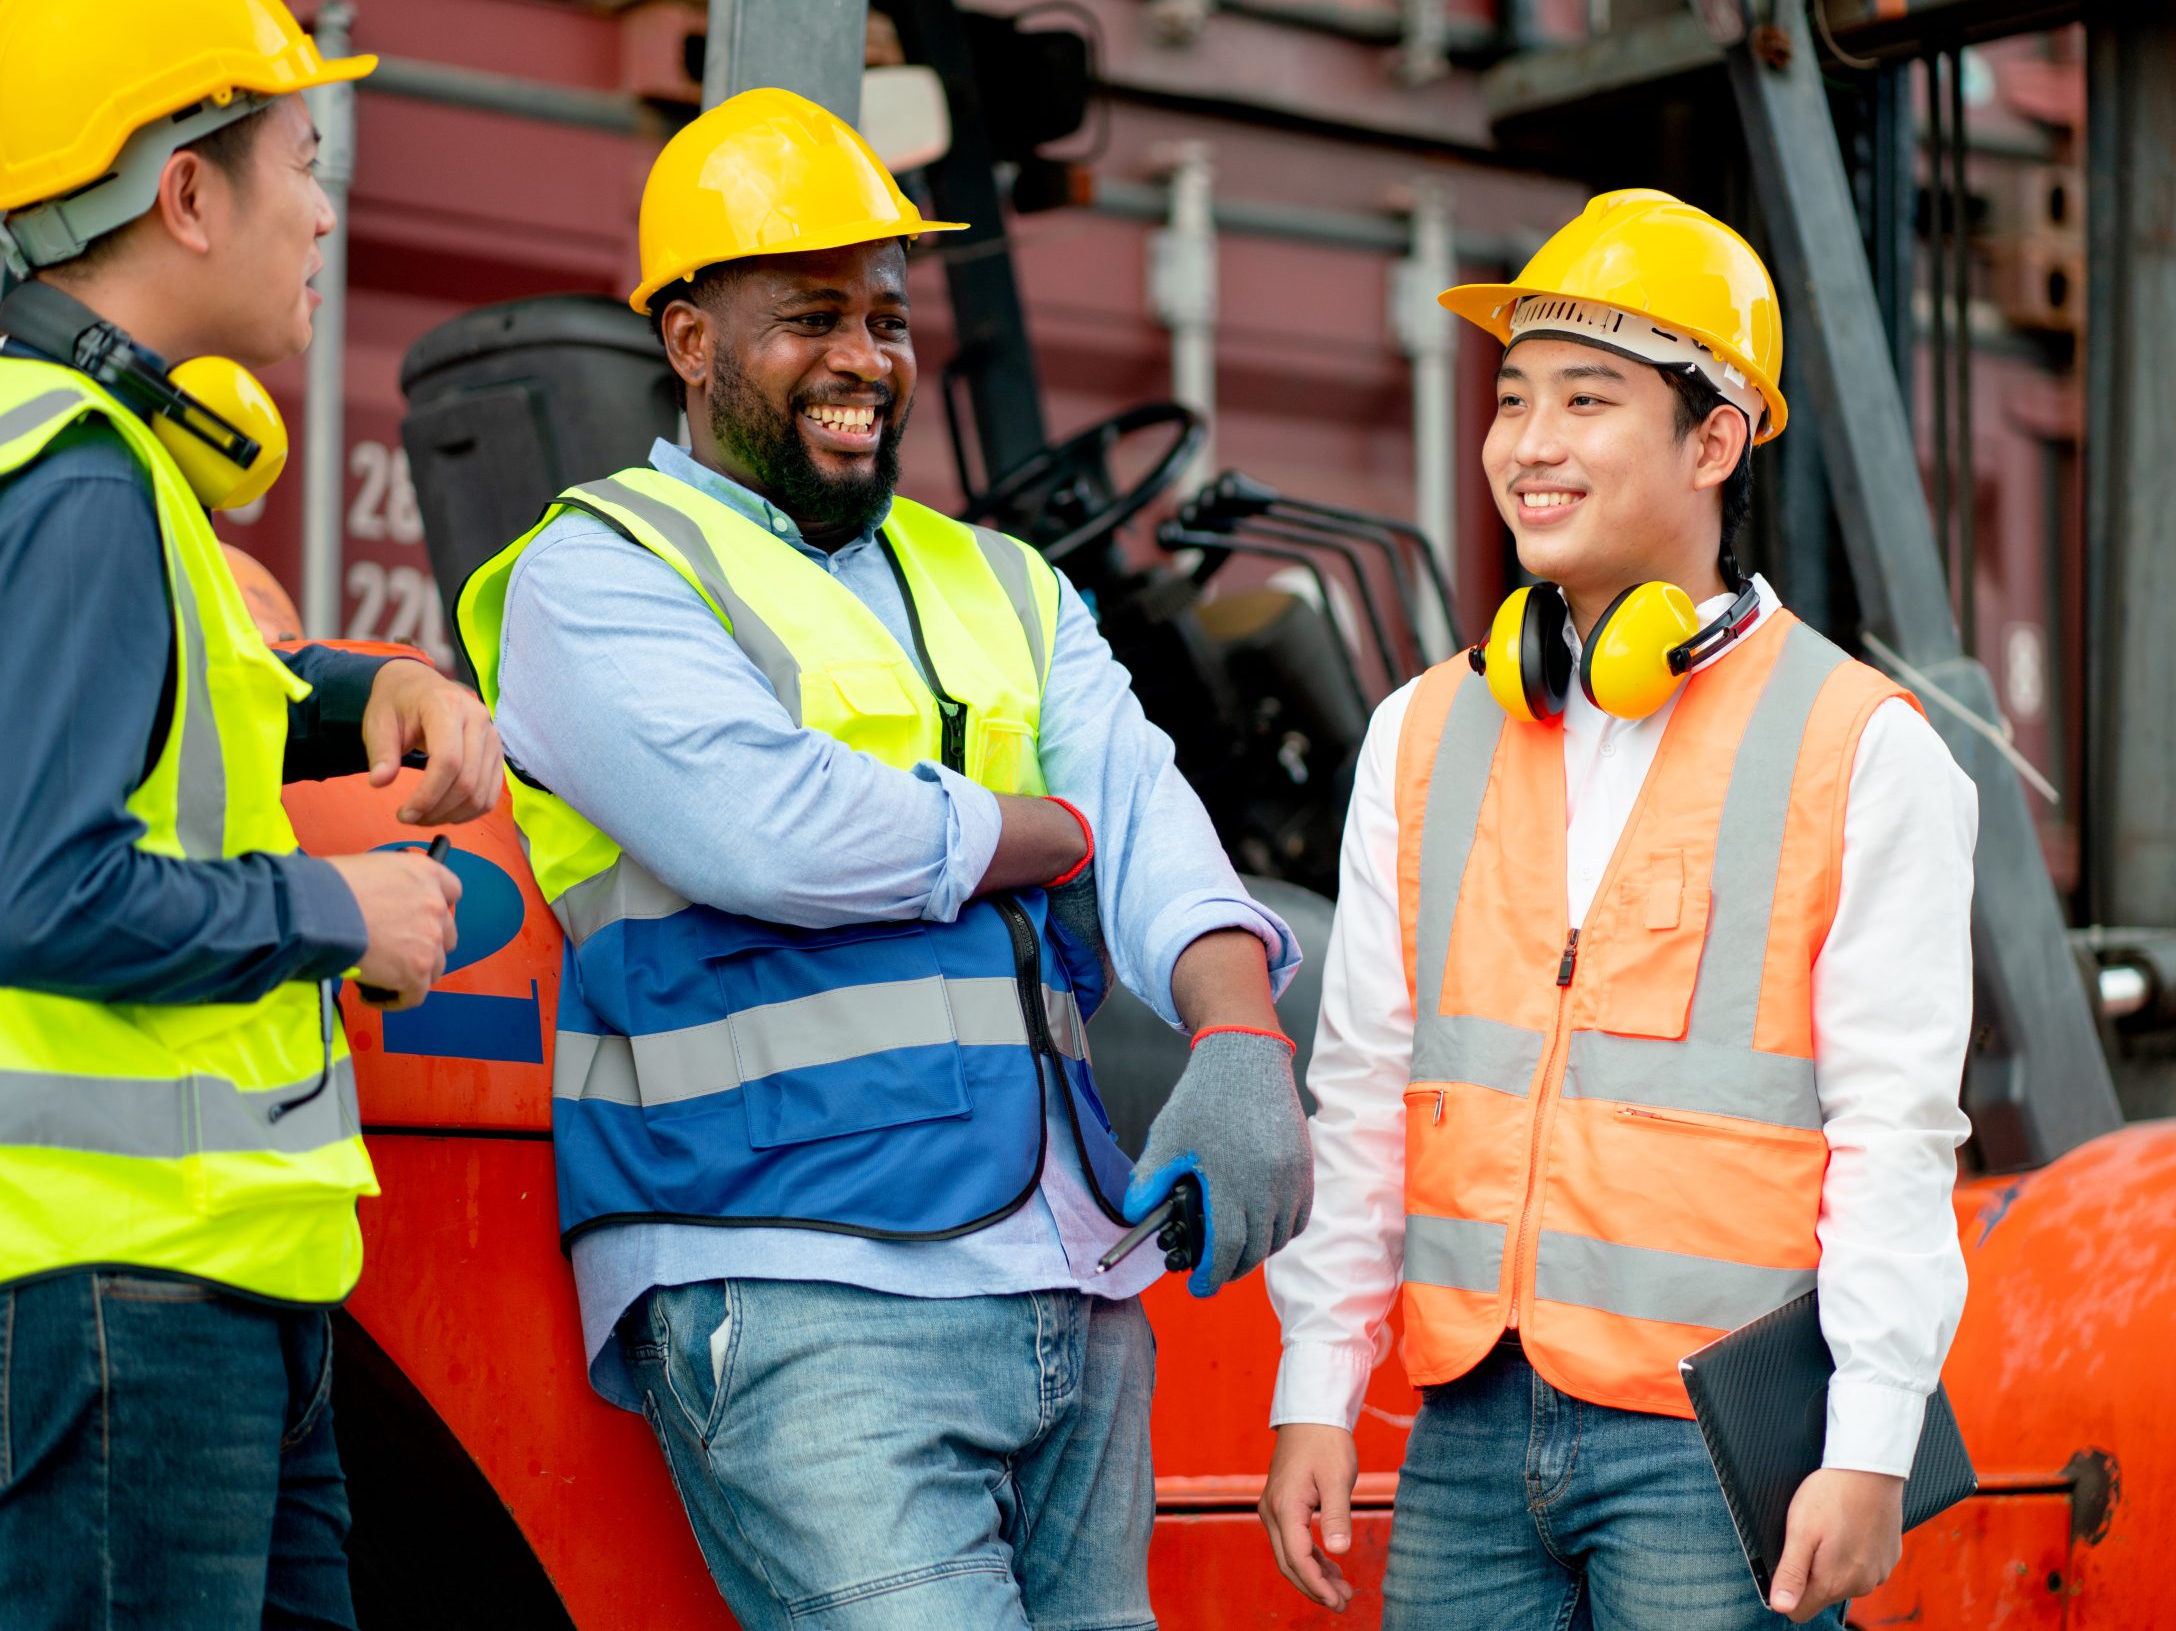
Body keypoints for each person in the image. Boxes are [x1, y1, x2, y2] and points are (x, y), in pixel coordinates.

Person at [453, 85, 1313, 1631]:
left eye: (889, 318)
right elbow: (767, 829)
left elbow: (1148, 806)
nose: (865, 358)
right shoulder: (597, 576)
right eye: (809, 318)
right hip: (799, 1286)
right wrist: (1031, 835)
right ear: (690, 339)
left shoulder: (1005, 582)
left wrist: (1238, 1021)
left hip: (1071, 1275)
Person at [0, 0, 502, 1624]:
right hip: (106, 1282)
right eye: (303, 165)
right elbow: (40, 896)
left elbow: (174, 718)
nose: (323, 210)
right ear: (184, 196)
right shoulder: (74, 491)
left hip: (178, 1281)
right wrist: (340, 911)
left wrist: (355, 696)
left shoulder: (89, 466)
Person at [1255, 190, 1976, 1629]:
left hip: (1714, 1446)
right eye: (1514, 397)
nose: (1529, 443)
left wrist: (1872, 1437)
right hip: (1464, 1420)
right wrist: (1314, 1387)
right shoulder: (1421, 733)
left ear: (1715, 439)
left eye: (1588, 400)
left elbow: (1895, 1127)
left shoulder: (1860, 745)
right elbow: (1362, 1088)